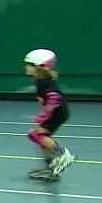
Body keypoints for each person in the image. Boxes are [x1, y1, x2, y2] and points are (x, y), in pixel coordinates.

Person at [23, 48, 75, 182]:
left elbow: (53, 98)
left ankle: (62, 153)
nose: (26, 67)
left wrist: (43, 116)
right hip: (59, 112)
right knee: (41, 137)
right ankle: (50, 166)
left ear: (39, 67)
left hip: (56, 113)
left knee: (35, 134)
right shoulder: (41, 80)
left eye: (29, 64)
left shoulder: (42, 83)